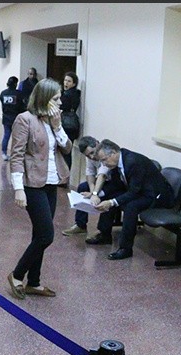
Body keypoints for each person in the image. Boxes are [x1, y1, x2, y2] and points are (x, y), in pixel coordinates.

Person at [7, 78, 72, 299]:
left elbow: (67, 147)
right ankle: (16, 275)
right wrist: (18, 189)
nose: (60, 103)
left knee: (39, 233)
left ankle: (33, 282)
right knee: (46, 235)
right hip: (32, 183)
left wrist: (57, 126)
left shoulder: (54, 120)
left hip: (51, 183)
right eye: (56, 99)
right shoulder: (25, 120)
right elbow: (16, 155)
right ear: (44, 99)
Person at [89, 139, 175, 260]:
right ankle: (104, 234)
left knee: (131, 207)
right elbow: (116, 185)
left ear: (113, 153)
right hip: (141, 191)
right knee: (110, 196)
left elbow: (134, 192)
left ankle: (125, 248)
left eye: (104, 160)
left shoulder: (133, 162)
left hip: (156, 196)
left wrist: (111, 202)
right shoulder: (117, 162)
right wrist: (98, 194)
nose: (104, 164)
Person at [61, 136, 126, 242]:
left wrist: (95, 193)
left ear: (97, 144)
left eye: (92, 153)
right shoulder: (90, 157)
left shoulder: (104, 152)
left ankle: (104, 233)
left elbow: (102, 174)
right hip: (104, 182)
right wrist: (92, 191)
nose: (91, 157)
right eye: (88, 155)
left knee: (107, 197)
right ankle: (80, 225)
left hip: (115, 184)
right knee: (83, 187)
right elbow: (90, 173)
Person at [0, 75, 26, 161]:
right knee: (17, 137)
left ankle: (4, 153)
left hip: (6, 118)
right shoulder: (19, 94)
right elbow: (22, 106)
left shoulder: (3, 93)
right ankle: (15, 154)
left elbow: (2, 104)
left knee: (6, 135)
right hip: (16, 118)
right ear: (15, 84)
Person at [59, 72, 81, 171]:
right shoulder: (73, 94)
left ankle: (65, 174)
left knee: (65, 152)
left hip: (67, 126)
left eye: (69, 81)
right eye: (65, 80)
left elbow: (62, 106)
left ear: (74, 83)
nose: (66, 83)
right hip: (71, 125)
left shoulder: (67, 95)